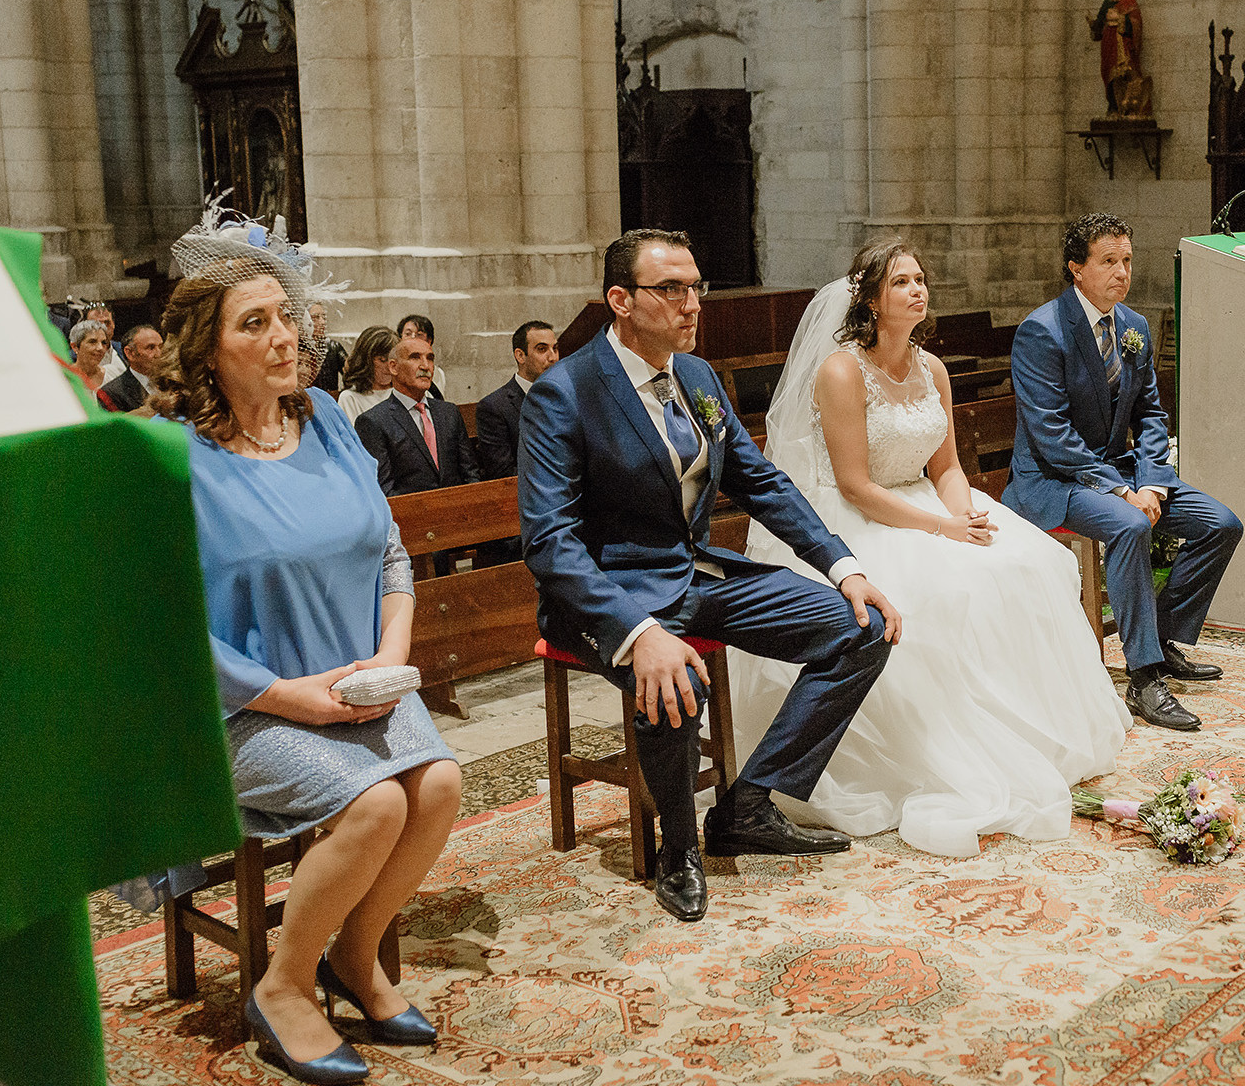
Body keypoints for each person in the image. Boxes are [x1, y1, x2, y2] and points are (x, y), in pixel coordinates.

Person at [153, 217, 459, 1083]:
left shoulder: (323, 418)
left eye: (285, 316)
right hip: (235, 707)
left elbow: (390, 552)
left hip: (356, 683)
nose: (283, 336)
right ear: (205, 349)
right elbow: (159, 623)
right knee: (377, 806)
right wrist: (291, 697)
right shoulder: (173, 457)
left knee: (439, 785)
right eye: (254, 323)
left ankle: (353, 956)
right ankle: (283, 987)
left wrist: (389, 656)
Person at [519, 228, 901, 922]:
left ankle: (746, 806)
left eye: (696, 287)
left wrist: (842, 567)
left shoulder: (696, 376)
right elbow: (549, 542)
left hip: (696, 576)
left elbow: (760, 481)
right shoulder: (564, 392)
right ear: (620, 301)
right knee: (673, 679)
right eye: (670, 289)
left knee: (863, 628)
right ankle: (678, 847)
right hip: (610, 594)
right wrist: (639, 634)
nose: (692, 303)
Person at [732, 241, 1132, 857]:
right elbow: (854, 485)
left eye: (920, 279)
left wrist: (963, 514)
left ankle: (1025, 733)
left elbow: (946, 467)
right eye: (901, 282)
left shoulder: (931, 369)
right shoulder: (840, 371)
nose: (917, 290)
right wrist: (940, 531)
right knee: (943, 589)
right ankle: (939, 748)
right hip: (857, 516)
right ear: (870, 299)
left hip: (926, 501)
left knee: (1025, 563)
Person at [1005, 213, 1243, 733]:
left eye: (1127, 260)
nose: (1122, 272)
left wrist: (1151, 482)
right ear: (1076, 268)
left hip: (1124, 472)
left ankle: (1160, 637)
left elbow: (1152, 414)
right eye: (1108, 261)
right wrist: (1120, 491)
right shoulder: (1042, 331)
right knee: (1131, 524)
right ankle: (1144, 677)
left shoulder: (1133, 326)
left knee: (1221, 524)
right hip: (1053, 479)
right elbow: (1051, 436)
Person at [354, 333, 479, 496]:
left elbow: (470, 473)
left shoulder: (449, 412)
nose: (426, 366)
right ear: (393, 367)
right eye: (415, 358)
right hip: (409, 510)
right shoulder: (373, 421)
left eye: (430, 358)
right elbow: (384, 490)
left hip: (459, 507)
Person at [475, 320, 557, 481]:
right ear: (520, 355)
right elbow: (503, 473)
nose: (553, 357)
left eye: (555, 348)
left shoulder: (567, 398)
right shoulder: (494, 407)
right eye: (542, 349)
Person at [335, 326, 399, 421]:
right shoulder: (350, 398)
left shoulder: (405, 394)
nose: (388, 367)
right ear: (365, 361)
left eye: (393, 361)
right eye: (382, 360)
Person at [101, 324, 162, 411]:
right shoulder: (111, 393)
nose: (159, 354)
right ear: (130, 353)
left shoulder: (172, 382)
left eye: (161, 347)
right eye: (150, 348)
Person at [395, 314, 444, 399]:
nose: (413, 338)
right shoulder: (395, 371)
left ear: (429, 341)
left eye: (419, 334)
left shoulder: (438, 373)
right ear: (400, 339)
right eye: (408, 334)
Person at [307, 302, 348, 394]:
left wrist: (343, 395)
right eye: (315, 318)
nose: (322, 322)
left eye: (324, 318)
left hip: (330, 398)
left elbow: (351, 374)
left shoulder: (333, 347)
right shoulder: (298, 348)